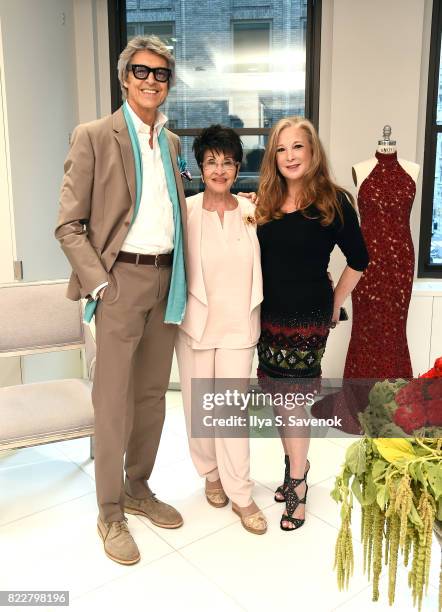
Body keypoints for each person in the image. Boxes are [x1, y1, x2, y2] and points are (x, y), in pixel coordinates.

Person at [55, 35, 187, 565]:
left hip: (166, 281)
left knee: (152, 396)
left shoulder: (172, 143)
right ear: (124, 76)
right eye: (142, 71)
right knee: (112, 403)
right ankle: (109, 512)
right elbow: (68, 225)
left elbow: (167, 209)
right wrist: (101, 283)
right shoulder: (93, 136)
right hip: (119, 282)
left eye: (161, 74)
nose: (151, 80)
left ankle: (138, 487)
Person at [255, 116, 369, 531]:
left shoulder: (333, 201)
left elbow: (360, 260)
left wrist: (334, 304)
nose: (289, 156)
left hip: (306, 320)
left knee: (292, 400)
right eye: (281, 149)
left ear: (312, 151)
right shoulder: (265, 202)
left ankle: (299, 485)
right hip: (269, 318)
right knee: (279, 397)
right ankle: (292, 470)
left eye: (297, 147)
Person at [175, 125, 267, 535]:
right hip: (196, 323)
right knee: (199, 408)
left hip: (238, 326)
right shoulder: (186, 210)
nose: (220, 169)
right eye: (212, 161)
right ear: (200, 165)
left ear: (237, 167)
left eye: (227, 162)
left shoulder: (252, 211)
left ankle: (241, 494)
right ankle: (210, 473)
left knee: (230, 412)